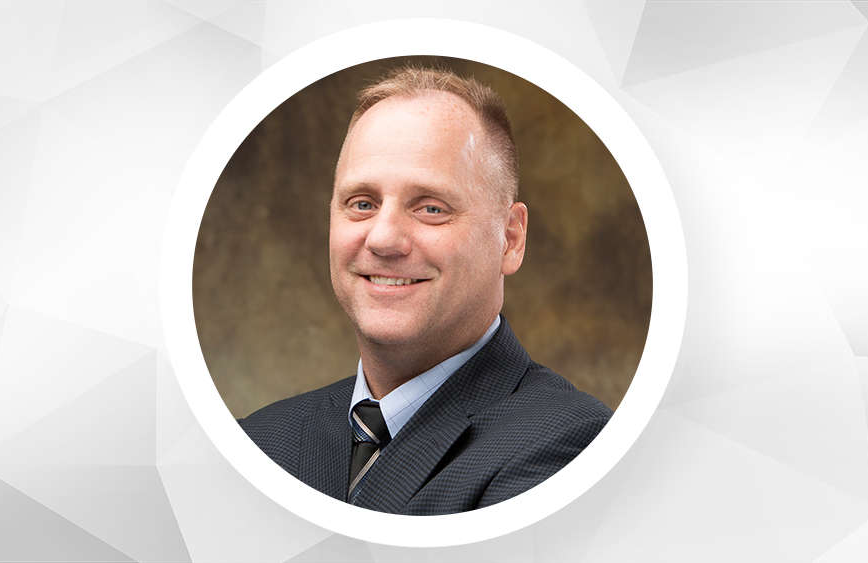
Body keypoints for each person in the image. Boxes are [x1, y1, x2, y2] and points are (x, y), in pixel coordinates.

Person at [238, 66, 612, 515]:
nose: (383, 239)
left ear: (510, 239)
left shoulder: (570, 448)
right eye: (362, 203)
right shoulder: (259, 439)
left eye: (431, 207)